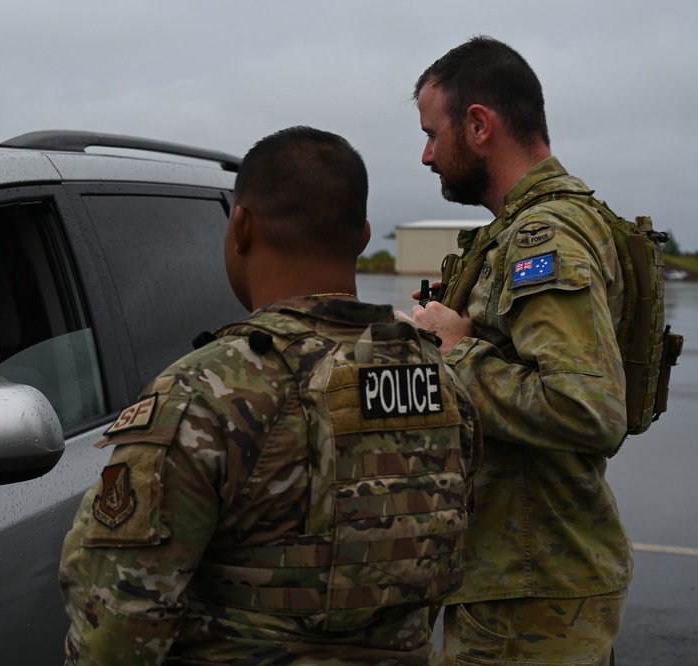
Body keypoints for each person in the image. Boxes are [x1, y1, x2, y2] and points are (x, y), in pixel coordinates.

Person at [59, 126, 481, 665]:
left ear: (242, 226)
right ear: (363, 235)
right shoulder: (440, 380)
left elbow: (117, 632)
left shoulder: (206, 393)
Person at [404, 36, 631, 665]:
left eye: (431, 133)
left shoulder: (544, 236)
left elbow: (586, 407)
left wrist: (454, 351)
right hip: (528, 584)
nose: (425, 155)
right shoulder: (533, 226)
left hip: (529, 599)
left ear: (479, 125)